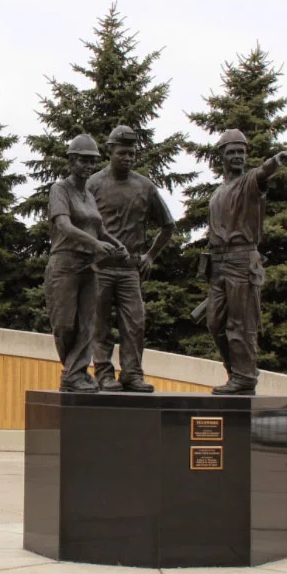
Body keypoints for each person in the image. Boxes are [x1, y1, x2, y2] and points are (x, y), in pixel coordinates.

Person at [204, 129, 287, 395]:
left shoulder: (250, 182)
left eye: (241, 152)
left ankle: (243, 377)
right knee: (214, 322)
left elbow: (263, 172)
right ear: (221, 156)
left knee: (240, 324)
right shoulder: (220, 190)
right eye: (231, 152)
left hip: (242, 260)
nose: (236, 156)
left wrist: (276, 161)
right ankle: (238, 372)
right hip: (218, 263)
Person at [87, 125, 175, 392]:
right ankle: (103, 374)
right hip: (100, 267)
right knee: (99, 325)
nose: (127, 158)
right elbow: (81, 225)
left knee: (135, 324)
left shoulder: (144, 187)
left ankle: (132, 374)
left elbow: (168, 224)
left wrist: (150, 256)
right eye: (122, 152)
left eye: (132, 154)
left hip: (129, 270)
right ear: (110, 151)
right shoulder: (94, 185)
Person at [47, 134, 127, 392]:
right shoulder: (60, 189)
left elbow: (100, 229)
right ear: (71, 161)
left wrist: (116, 244)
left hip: (89, 267)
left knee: (87, 323)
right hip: (64, 265)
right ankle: (72, 371)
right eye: (83, 160)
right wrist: (95, 244)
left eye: (92, 161)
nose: (88, 166)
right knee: (64, 323)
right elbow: (63, 225)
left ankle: (75, 373)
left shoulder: (88, 195)